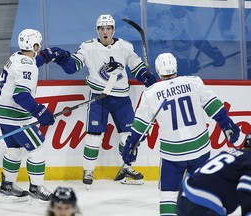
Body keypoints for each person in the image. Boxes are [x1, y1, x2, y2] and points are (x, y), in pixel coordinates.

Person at [40, 14, 157, 187]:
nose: (105, 32)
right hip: (99, 98)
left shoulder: (124, 46)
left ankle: (126, 167)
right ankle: (88, 171)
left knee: (128, 136)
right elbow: (73, 67)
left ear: (113, 30)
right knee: (94, 136)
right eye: (102, 29)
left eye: (108, 28)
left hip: (121, 99)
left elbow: (136, 67)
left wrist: (145, 76)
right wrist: (63, 59)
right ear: (97, 30)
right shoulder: (88, 47)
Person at [121, 53, 240, 215]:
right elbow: (214, 106)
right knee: (202, 193)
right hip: (200, 150)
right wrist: (226, 125)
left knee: (168, 196)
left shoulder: (151, 93)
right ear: (176, 67)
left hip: (173, 154)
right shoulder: (193, 82)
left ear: (157, 71)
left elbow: (140, 127)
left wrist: (131, 146)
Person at [0, 29, 56, 202]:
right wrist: (39, 111)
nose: (39, 47)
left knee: (14, 149)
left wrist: (46, 57)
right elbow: (20, 95)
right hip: (14, 115)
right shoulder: (27, 65)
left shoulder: (16, 57)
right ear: (34, 45)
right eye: (38, 45)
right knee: (37, 147)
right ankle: (36, 188)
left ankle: (7, 186)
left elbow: (30, 64)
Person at [177, 134, 251, 216]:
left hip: (185, 194)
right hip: (206, 202)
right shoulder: (248, 161)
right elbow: (246, 192)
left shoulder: (229, 152)